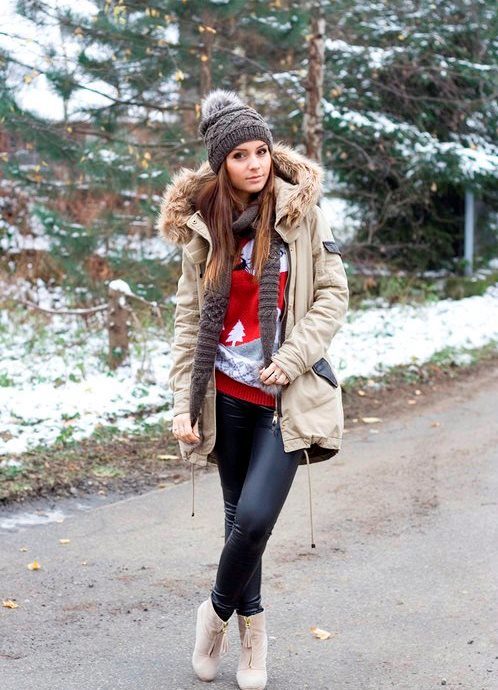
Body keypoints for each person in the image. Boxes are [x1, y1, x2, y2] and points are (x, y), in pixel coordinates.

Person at [156, 89, 349, 690]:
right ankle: (253, 634)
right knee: (239, 521)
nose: (255, 164)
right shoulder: (203, 228)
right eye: (240, 155)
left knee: (257, 517)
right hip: (225, 394)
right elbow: (189, 320)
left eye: (261, 151)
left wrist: (291, 358)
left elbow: (332, 295)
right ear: (222, 164)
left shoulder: (301, 213)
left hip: (284, 395)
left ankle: (214, 615)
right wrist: (183, 403)